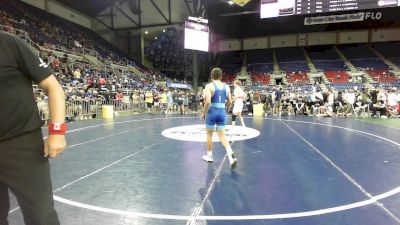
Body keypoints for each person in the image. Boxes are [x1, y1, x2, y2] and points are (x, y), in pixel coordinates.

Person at [0, 31, 66, 225]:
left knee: (41, 217)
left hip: (22, 145)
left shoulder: (8, 42)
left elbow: (53, 87)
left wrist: (57, 131)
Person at [201, 68, 237, 169]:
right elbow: (230, 101)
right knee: (222, 136)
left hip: (212, 112)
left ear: (211, 76)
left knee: (209, 134)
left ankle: (209, 156)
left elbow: (207, 101)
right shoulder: (227, 87)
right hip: (222, 112)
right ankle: (230, 155)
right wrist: (226, 111)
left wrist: (204, 113)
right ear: (221, 76)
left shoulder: (209, 86)